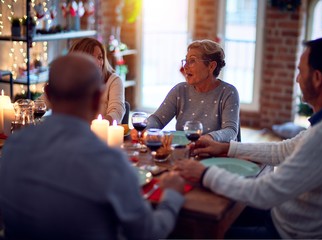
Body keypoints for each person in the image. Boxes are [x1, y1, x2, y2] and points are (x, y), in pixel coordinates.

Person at [175, 36, 322, 239]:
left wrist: (203, 173)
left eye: (300, 71)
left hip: (284, 233)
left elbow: (264, 193)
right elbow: (284, 150)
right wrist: (226, 148)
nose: (297, 79)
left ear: (316, 78)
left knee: (194, 228)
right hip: (284, 217)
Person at [0, 53, 185, 239]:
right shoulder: (109, 161)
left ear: (48, 94)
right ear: (97, 98)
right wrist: (172, 195)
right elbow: (148, 233)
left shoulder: (13, 147)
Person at [145, 39, 240, 142]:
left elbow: (230, 131)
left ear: (211, 66)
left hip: (215, 155)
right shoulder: (180, 90)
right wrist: (144, 128)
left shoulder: (228, 92)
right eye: (186, 61)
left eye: (192, 61)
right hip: (184, 152)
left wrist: (209, 138)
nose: (185, 66)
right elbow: (158, 119)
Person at [40, 37, 125, 123]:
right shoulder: (67, 81)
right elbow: (40, 104)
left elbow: (117, 112)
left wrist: (98, 125)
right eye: (91, 58)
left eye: (100, 57)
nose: (98, 63)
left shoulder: (113, 81)